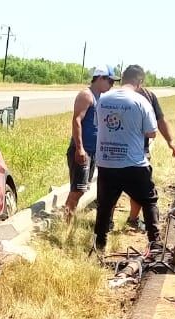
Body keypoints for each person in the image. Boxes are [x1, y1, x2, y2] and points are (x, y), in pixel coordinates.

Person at [93, 64, 160, 252]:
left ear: (122, 79)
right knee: (149, 200)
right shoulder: (141, 102)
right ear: (139, 82)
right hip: (133, 164)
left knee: (105, 205)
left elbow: (99, 124)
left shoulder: (103, 99)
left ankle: (100, 245)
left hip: (106, 163)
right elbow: (151, 133)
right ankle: (155, 243)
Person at [122, 85, 175, 230]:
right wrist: (170, 142)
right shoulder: (144, 96)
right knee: (138, 187)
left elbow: (160, 121)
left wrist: (170, 142)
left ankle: (132, 219)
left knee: (132, 187)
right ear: (140, 81)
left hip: (125, 150)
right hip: (133, 151)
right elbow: (158, 123)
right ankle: (125, 220)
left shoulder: (145, 96)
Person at [64, 67, 115, 217]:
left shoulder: (100, 97)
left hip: (93, 151)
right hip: (83, 150)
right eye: (110, 81)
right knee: (77, 190)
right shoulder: (86, 96)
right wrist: (80, 148)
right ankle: (65, 224)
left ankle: (67, 220)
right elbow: (76, 120)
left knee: (82, 189)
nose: (112, 85)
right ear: (100, 78)